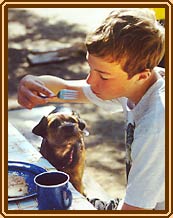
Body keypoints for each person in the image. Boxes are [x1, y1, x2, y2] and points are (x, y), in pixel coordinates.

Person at [17, 8, 165, 210]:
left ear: (142, 75)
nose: (90, 80)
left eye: (103, 75)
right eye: (91, 68)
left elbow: (136, 210)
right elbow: (68, 90)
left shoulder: (156, 125)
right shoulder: (137, 85)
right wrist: (33, 82)